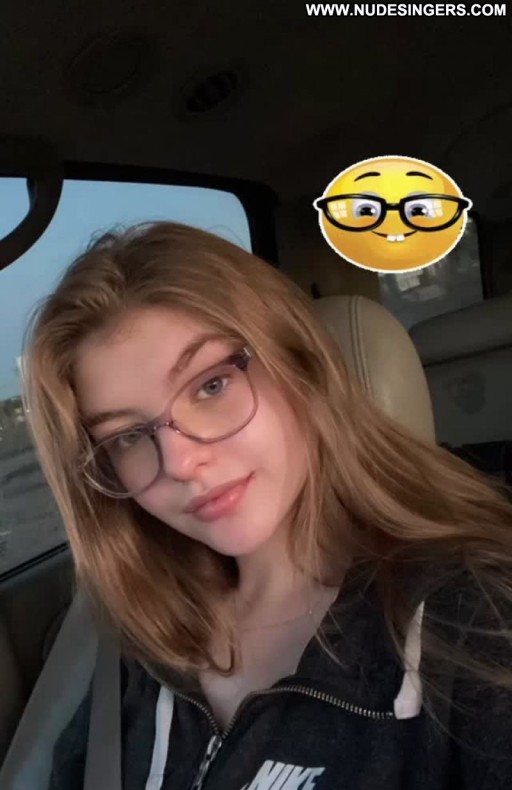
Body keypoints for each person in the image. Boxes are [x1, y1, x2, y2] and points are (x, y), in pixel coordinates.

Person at [21, 221, 512, 789]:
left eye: (211, 386)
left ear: (300, 363)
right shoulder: (143, 644)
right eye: (129, 436)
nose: (179, 462)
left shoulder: (477, 615)